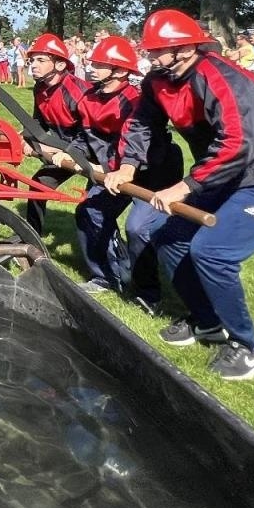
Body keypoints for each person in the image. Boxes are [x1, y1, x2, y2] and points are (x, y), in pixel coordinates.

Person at [104, 9, 254, 382]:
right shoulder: (158, 81)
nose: (149, 56)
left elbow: (238, 143)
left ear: (183, 49)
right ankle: (207, 321)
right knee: (167, 238)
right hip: (221, 180)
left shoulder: (224, 78)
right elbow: (141, 123)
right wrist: (128, 165)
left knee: (212, 252)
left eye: (156, 50)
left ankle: (250, 349)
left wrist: (184, 187)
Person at [64, 34, 182, 308]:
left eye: (99, 64)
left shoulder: (134, 100)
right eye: (93, 62)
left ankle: (148, 295)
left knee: (138, 227)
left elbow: (138, 143)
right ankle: (107, 276)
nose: (92, 67)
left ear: (119, 71)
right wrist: (70, 153)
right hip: (116, 171)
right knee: (89, 212)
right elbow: (87, 137)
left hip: (154, 171)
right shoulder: (89, 98)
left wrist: (111, 167)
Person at [24, 32, 90, 236]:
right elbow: (38, 122)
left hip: (95, 150)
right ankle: (31, 236)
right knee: (38, 185)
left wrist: (68, 151)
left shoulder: (77, 92)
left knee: (93, 209)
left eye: (41, 60)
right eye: (32, 60)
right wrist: (26, 137)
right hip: (65, 148)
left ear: (60, 65)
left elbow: (91, 133)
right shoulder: (40, 88)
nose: (34, 65)